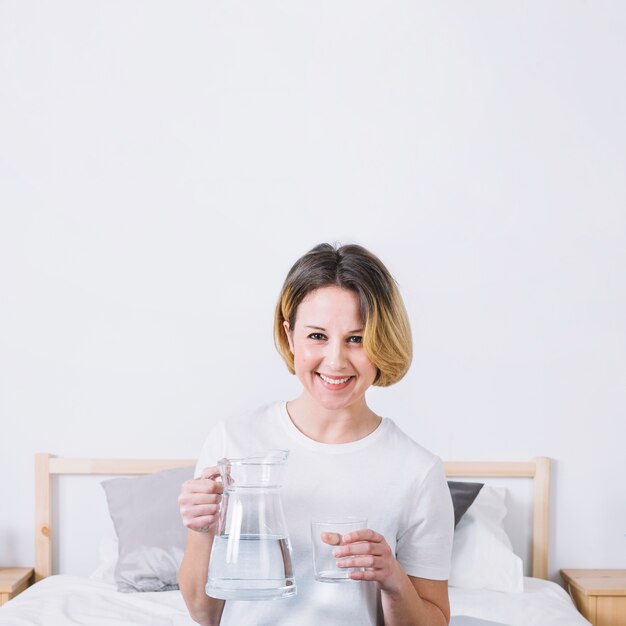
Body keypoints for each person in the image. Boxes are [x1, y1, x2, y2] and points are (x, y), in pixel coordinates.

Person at [178, 242, 454, 626]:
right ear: (290, 336)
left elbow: (435, 619)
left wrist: (393, 579)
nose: (336, 360)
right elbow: (204, 615)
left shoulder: (416, 471)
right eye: (317, 336)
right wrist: (202, 532)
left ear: (382, 341)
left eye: (356, 339)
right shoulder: (233, 442)